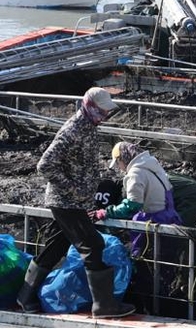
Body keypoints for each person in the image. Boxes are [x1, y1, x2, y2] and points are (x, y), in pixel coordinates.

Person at [17, 87, 135, 318]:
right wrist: (74, 189)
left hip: (74, 201)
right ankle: (104, 306)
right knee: (93, 245)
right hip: (66, 201)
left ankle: (25, 295)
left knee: (56, 246)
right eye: (102, 111)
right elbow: (45, 164)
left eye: (107, 112)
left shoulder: (89, 126)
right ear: (89, 106)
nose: (105, 116)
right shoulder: (73, 129)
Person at [94, 142, 182, 257]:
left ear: (123, 158)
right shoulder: (153, 166)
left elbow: (132, 205)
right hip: (170, 218)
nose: (119, 168)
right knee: (167, 259)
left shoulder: (135, 173)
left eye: (118, 163)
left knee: (144, 260)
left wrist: (108, 212)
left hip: (152, 222)